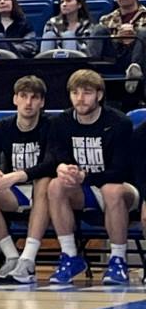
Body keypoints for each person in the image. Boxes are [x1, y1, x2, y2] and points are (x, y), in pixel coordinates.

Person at [46, 69, 137, 288]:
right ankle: (70, 256)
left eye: (86, 93)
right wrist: (63, 168)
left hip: (124, 189)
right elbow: (57, 156)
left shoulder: (119, 123)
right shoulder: (61, 122)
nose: (80, 98)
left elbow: (122, 171)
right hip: (84, 189)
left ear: (99, 95)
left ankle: (118, 260)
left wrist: (85, 175)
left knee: (111, 189)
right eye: (75, 93)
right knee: (55, 185)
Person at [0, 75, 55, 285]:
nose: (28, 103)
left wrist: (16, 175)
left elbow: (51, 163)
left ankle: (27, 259)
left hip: (45, 194)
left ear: (42, 102)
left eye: (34, 97)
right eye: (24, 96)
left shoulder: (51, 125)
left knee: (44, 180)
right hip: (14, 194)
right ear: (15, 99)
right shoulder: (2, 127)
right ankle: (11, 256)